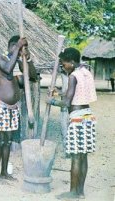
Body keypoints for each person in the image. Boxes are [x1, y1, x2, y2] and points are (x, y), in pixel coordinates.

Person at [46, 47, 97, 199]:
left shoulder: (73, 76)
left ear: (72, 62)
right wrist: (59, 92)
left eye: (64, 64)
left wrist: (52, 101)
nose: (63, 66)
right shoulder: (86, 72)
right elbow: (76, 94)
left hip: (77, 119)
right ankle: (80, 191)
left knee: (75, 157)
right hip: (88, 117)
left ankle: (73, 192)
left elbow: (67, 102)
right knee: (83, 156)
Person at [0, 36, 37, 183]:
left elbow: (32, 77)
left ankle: (4, 172)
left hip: (13, 109)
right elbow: (7, 69)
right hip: (1, 107)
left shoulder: (18, 63)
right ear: (13, 45)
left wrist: (28, 59)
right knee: (0, 141)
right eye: (19, 47)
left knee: (8, 142)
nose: (21, 50)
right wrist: (18, 48)